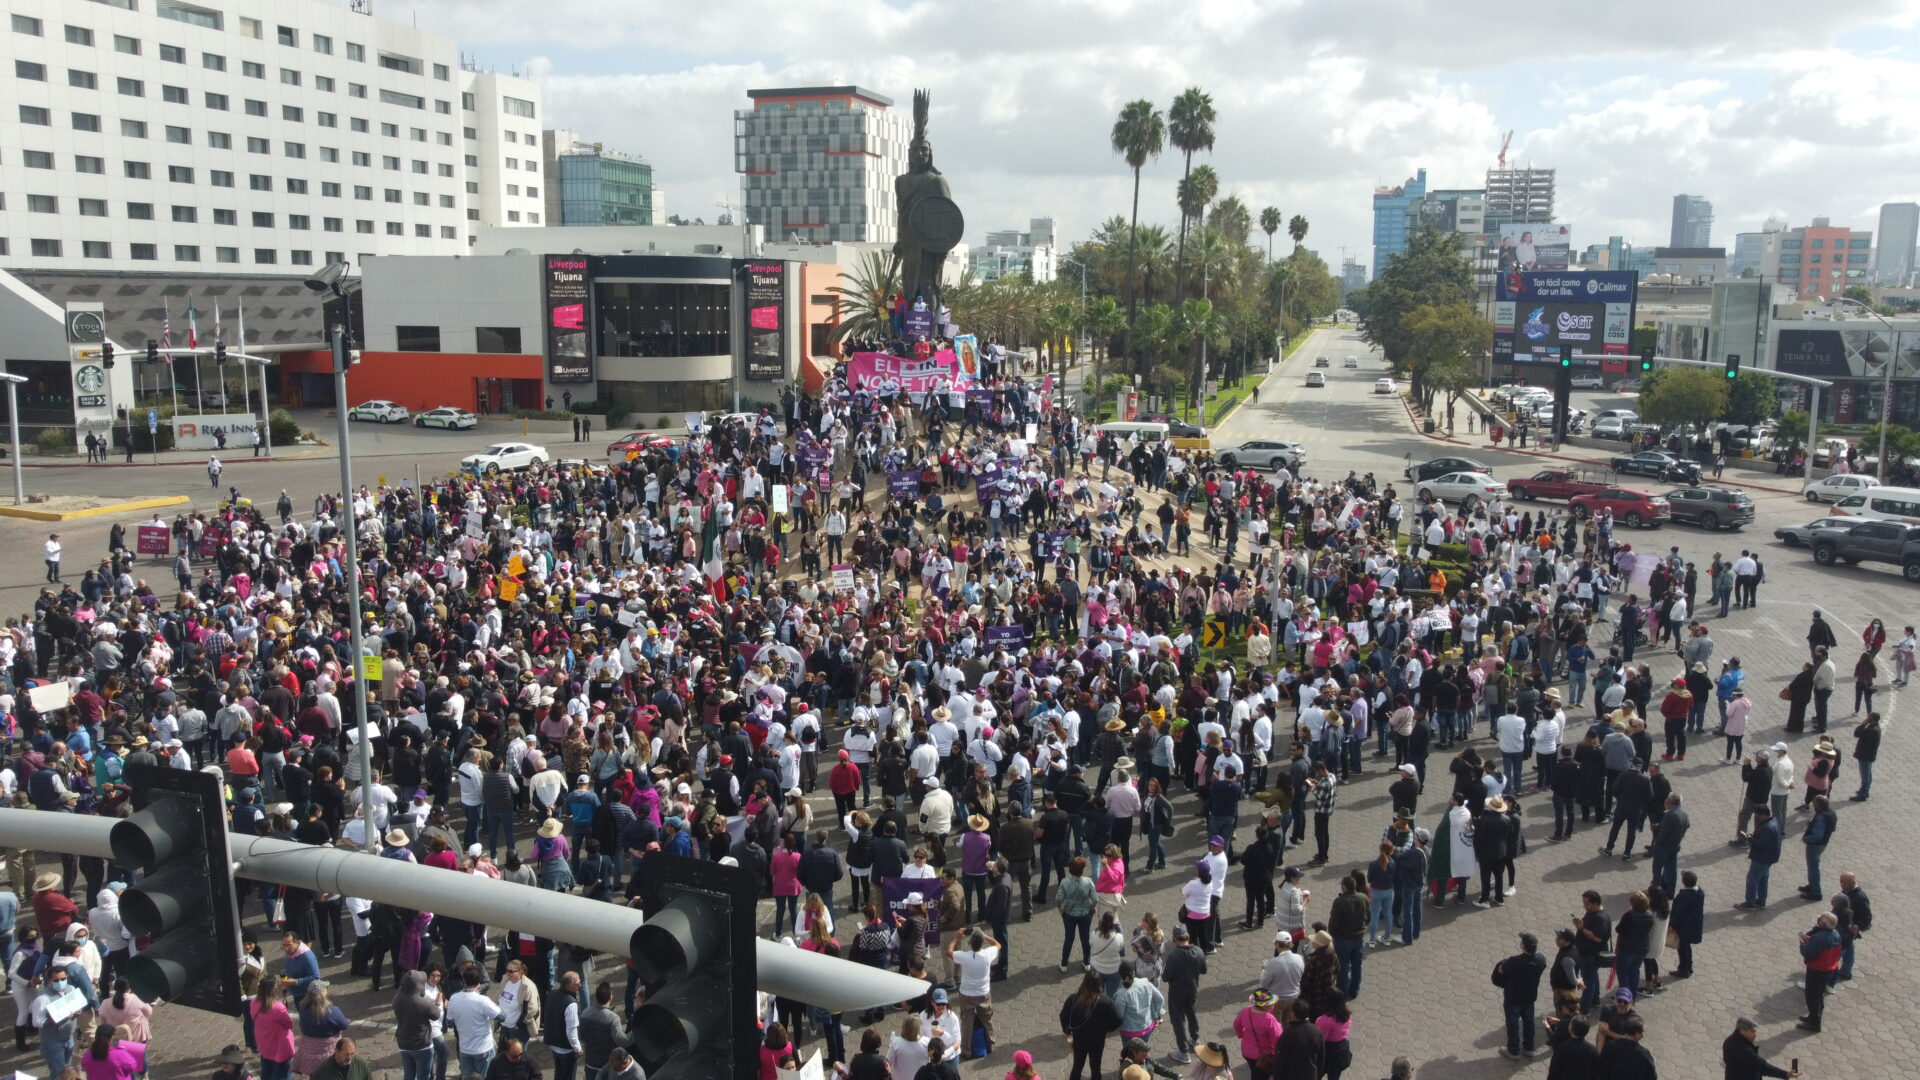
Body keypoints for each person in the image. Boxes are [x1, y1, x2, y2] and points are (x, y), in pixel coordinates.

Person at [946, 927, 999, 1059]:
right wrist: (984, 935)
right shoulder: (988, 954)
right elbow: (998, 945)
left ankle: (966, 1051)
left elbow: (949, 952)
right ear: (982, 943)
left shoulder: (964, 956)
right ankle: (990, 1043)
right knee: (987, 1019)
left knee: (967, 1023)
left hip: (966, 994)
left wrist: (957, 936)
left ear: (970, 943)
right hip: (983, 993)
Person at [1493, 932, 1547, 1060]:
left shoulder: (1514, 961)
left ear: (1523, 946)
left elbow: (1501, 970)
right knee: (1529, 1022)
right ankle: (1529, 1048)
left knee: (1513, 1024)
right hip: (1529, 997)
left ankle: (1514, 1051)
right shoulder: (1540, 960)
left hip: (1513, 998)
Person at [1059, 972, 1121, 1080]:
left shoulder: (1073, 999)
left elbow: (1063, 1016)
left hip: (1079, 1039)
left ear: (1084, 982)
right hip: (1097, 1040)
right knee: (1095, 1067)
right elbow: (1117, 1020)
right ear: (1098, 984)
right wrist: (1106, 1029)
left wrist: (1067, 1031)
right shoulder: (1106, 1002)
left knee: (1077, 1066)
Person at [1160, 925, 1207, 1063]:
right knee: (1192, 1014)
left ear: (1175, 940)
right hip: (1192, 990)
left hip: (1177, 994)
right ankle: (1195, 1039)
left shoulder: (1174, 956)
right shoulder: (1198, 951)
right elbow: (1204, 970)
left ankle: (1183, 1051)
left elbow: (1165, 977)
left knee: (1178, 1021)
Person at [447, 966, 502, 1077]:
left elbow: (449, 1023)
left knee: (467, 1077)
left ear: (463, 980)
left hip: (465, 1048)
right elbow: (501, 1017)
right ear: (479, 982)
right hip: (483, 1048)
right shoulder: (482, 1000)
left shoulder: (454, 998)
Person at [290, 981, 352, 1076]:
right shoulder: (332, 1011)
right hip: (328, 1053)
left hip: (310, 1053)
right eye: (325, 988)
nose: (327, 989)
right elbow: (345, 1025)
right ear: (322, 993)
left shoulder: (302, 1008)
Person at [1798, 912, 1842, 1032]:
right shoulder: (1836, 934)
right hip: (1827, 969)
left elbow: (1809, 953)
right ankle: (1813, 1017)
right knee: (1819, 995)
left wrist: (1803, 944)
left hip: (1816, 970)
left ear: (1823, 923)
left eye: (1820, 920)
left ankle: (1814, 1023)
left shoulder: (1820, 937)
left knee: (1812, 997)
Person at [1722, 1017, 1798, 1080]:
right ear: (1742, 1031)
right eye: (1752, 1032)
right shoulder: (1745, 1051)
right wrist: (1786, 1074)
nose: (1755, 1035)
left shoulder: (1729, 1041)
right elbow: (1763, 1067)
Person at [1232, 989, 1284, 1080]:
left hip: (1246, 1051)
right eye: (1271, 1004)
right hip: (1263, 1056)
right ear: (1264, 1006)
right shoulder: (1269, 1020)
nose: (1274, 1005)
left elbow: (1237, 1024)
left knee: (1255, 1071)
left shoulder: (1246, 1011)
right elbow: (1277, 1039)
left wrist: (1242, 1035)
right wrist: (1273, 1054)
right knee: (1263, 1075)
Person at [1736, 806, 1781, 910]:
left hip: (1762, 858)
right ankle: (1761, 901)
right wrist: (1755, 835)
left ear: (1763, 815)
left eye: (1757, 816)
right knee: (1763, 879)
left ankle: (1750, 903)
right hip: (1769, 857)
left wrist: (1750, 839)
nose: (1757, 818)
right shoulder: (1773, 821)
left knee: (1752, 879)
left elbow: (1761, 845)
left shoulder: (1768, 828)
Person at [309, 1037, 373, 1080]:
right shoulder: (323, 1070)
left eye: (352, 1053)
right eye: (346, 1054)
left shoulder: (360, 1063)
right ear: (337, 1051)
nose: (350, 1058)